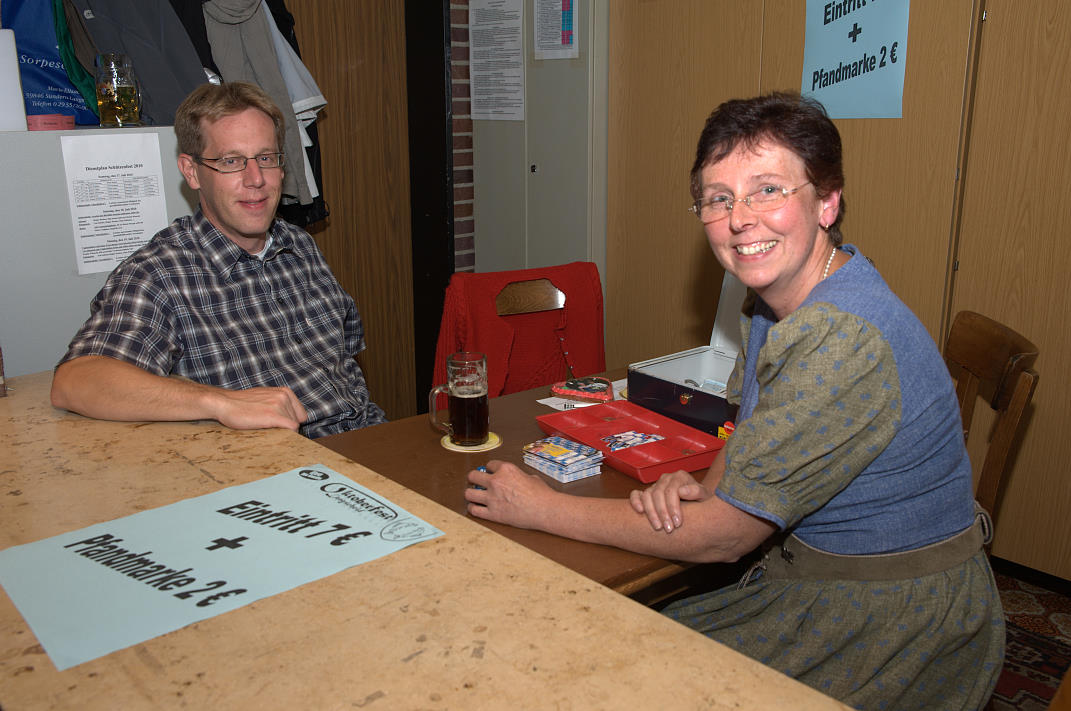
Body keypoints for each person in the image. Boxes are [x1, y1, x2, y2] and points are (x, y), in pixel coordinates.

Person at [465, 92, 1003, 709]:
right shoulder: (792, 294)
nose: (740, 219)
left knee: (607, 669)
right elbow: (752, 421)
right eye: (719, 198)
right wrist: (710, 487)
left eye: (768, 190)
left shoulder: (840, 336)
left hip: (892, 620)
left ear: (827, 202)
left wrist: (541, 507)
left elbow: (722, 540)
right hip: (815, 572)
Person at [51, 81, 387, 438]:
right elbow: (75, 382)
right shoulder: (159, 273)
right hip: (283, 459)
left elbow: (346, 365)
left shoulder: (299, 244)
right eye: (231, 162)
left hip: (366, 439)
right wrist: (220, 402)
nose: (256, 179)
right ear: (191, 171)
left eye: (266, 158)